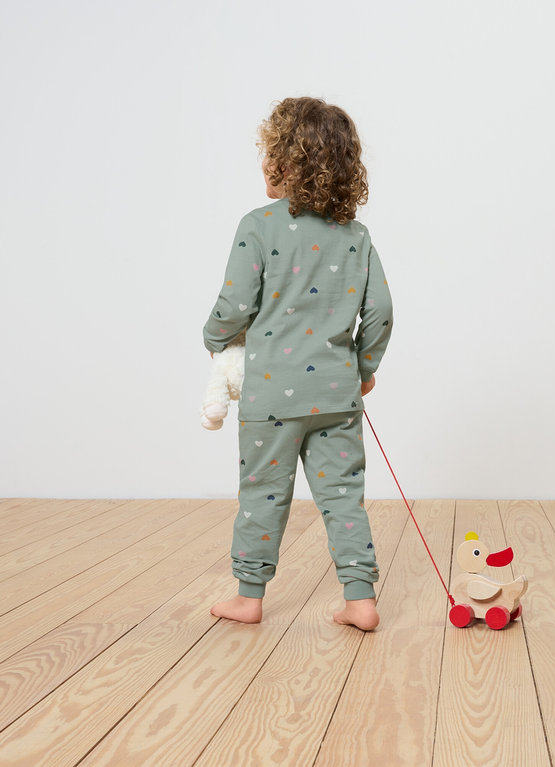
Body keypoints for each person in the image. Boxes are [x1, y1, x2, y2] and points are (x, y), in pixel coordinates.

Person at [203, 97, 393, 631]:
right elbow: (380, 309)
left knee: (263, 493)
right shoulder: (355, 235)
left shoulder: (258, 226)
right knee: (342, 495)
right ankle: (361, 601)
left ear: (287, 164)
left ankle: (249, 597)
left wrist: (214, 337)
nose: (263, 164)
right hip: (337, 395)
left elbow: (235, 305)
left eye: (270, 153)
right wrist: (364, 366)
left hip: (271, 396)